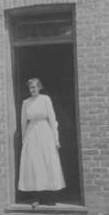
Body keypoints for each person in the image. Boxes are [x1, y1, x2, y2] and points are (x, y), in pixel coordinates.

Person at [18, 78, 66, 206]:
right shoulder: (26, 102)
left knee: (47, 162)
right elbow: (23, 122)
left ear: (39, 87)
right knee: (34, 164)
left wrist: (56, 138)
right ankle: (37, 197)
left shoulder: (45, 99)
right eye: (30, 88)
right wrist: (24, 139)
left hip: (45, 133)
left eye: (35, 87)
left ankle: (49, 197)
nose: (32, 90)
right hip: (31, 134)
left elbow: (52, 118)